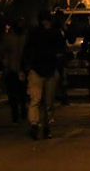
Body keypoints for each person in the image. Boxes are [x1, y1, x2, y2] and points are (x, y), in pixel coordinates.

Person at [23, 10, 66, 139]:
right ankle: (42, 125)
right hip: (47, 70)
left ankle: (35, 124)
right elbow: (61, 51)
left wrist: (24, 68)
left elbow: (27, 50)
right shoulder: (53, 33)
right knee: (47, 102)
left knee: (36, 100)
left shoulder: (35, 33)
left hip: (39, 69)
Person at [0, 17, 28, 124]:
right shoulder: (9, 37)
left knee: (22, 93)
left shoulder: (25, 37)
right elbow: (3, 51)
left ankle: (23, 111)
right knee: (13, 94)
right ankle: (15, 114)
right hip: (11, 69)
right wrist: (4, 62)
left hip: (23, 68)